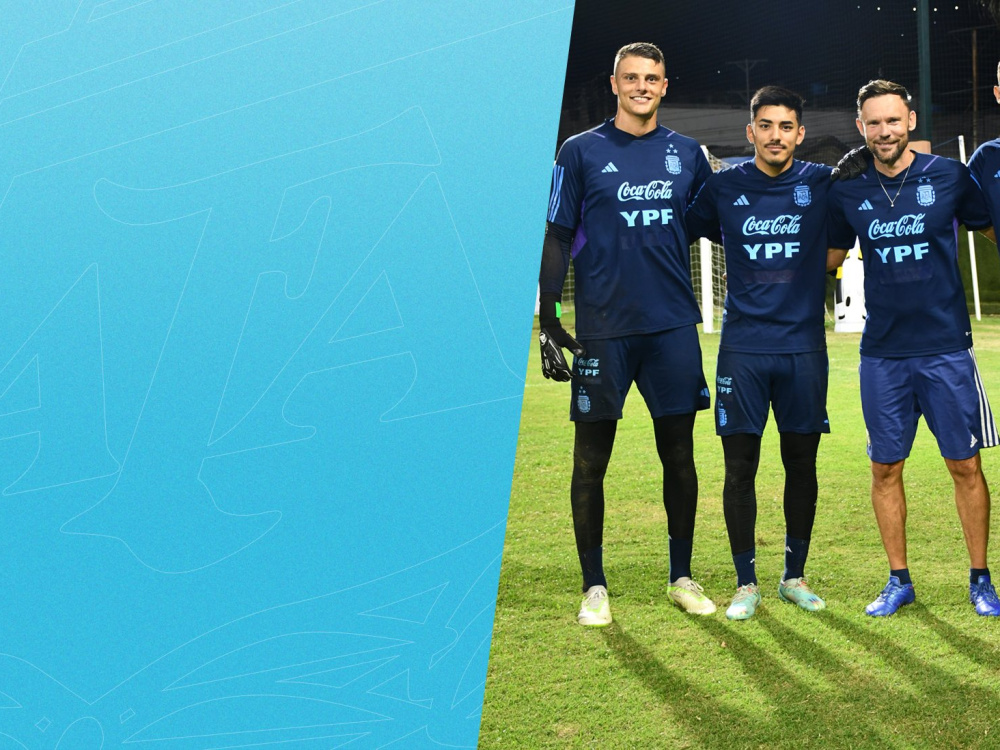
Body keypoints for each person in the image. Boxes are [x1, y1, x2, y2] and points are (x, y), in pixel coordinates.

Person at [538, 42, 714, 626]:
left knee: (680, 456)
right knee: (591, 460)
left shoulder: (688, 154)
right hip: (603, 332)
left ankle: (681, 576)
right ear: (614, 83)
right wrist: (549, 317)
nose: (642, 86)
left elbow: (717, 219)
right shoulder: (580, 151)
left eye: (652, 78)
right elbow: (557, 234)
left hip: (671, 327)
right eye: (631, 77)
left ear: (665, 86)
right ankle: (594, 586)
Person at [828, 79, 1000, 617]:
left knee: (965, 465)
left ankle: (980, 579)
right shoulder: (847, 189)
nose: (885, 131)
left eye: (893, 120)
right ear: (861, 127)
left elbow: (992, 229)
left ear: (911, 121)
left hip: (947, 348)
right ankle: (898, 580)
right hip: (882, 353)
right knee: (885, 469)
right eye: (874, 123)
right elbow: (826, 259)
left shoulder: (950, 175)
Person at [685, 86, 833, 620]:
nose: (775, 135)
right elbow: (684, 227)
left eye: (785, 126)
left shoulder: (821, 182)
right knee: (739, 467)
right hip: (742, 350)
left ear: (800, 133)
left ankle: (794, 576)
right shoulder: (724, 186)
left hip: (803, 350)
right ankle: (745, 583)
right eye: (765, 126)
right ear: (750, 132)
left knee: (801, 463)